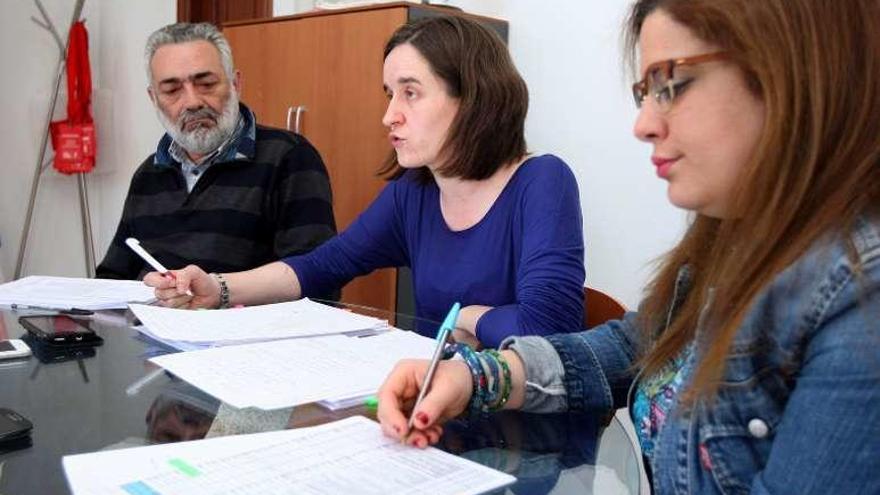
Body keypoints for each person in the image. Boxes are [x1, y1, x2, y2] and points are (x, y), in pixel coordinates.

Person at [377, 1, 880, 493]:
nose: (643, 124)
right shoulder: (732, 239)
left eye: (672, 84)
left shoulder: (860, 293)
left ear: (792, 73)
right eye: (646, 91)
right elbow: (633, 347)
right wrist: (477, 376)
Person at [146, 16, 586, 348]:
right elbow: (321, 266)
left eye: (410, 93)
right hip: (434, 406)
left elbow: (549, 330)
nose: (389, 115)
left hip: (520, 425)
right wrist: (218, 288)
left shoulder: (542, 181)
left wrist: (465, 315)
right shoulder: (412, 194)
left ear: (473, 98)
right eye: (389, 94)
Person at [96, 23, 337, 281]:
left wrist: (218, 297)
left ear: (235, 83)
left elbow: (317, 279)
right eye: (172, 90)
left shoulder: (289, 157)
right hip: (151, 319)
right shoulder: (148, 175)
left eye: (207, 84)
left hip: (243, 319)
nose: (192, 102)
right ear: (154, 98)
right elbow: (113, 278)